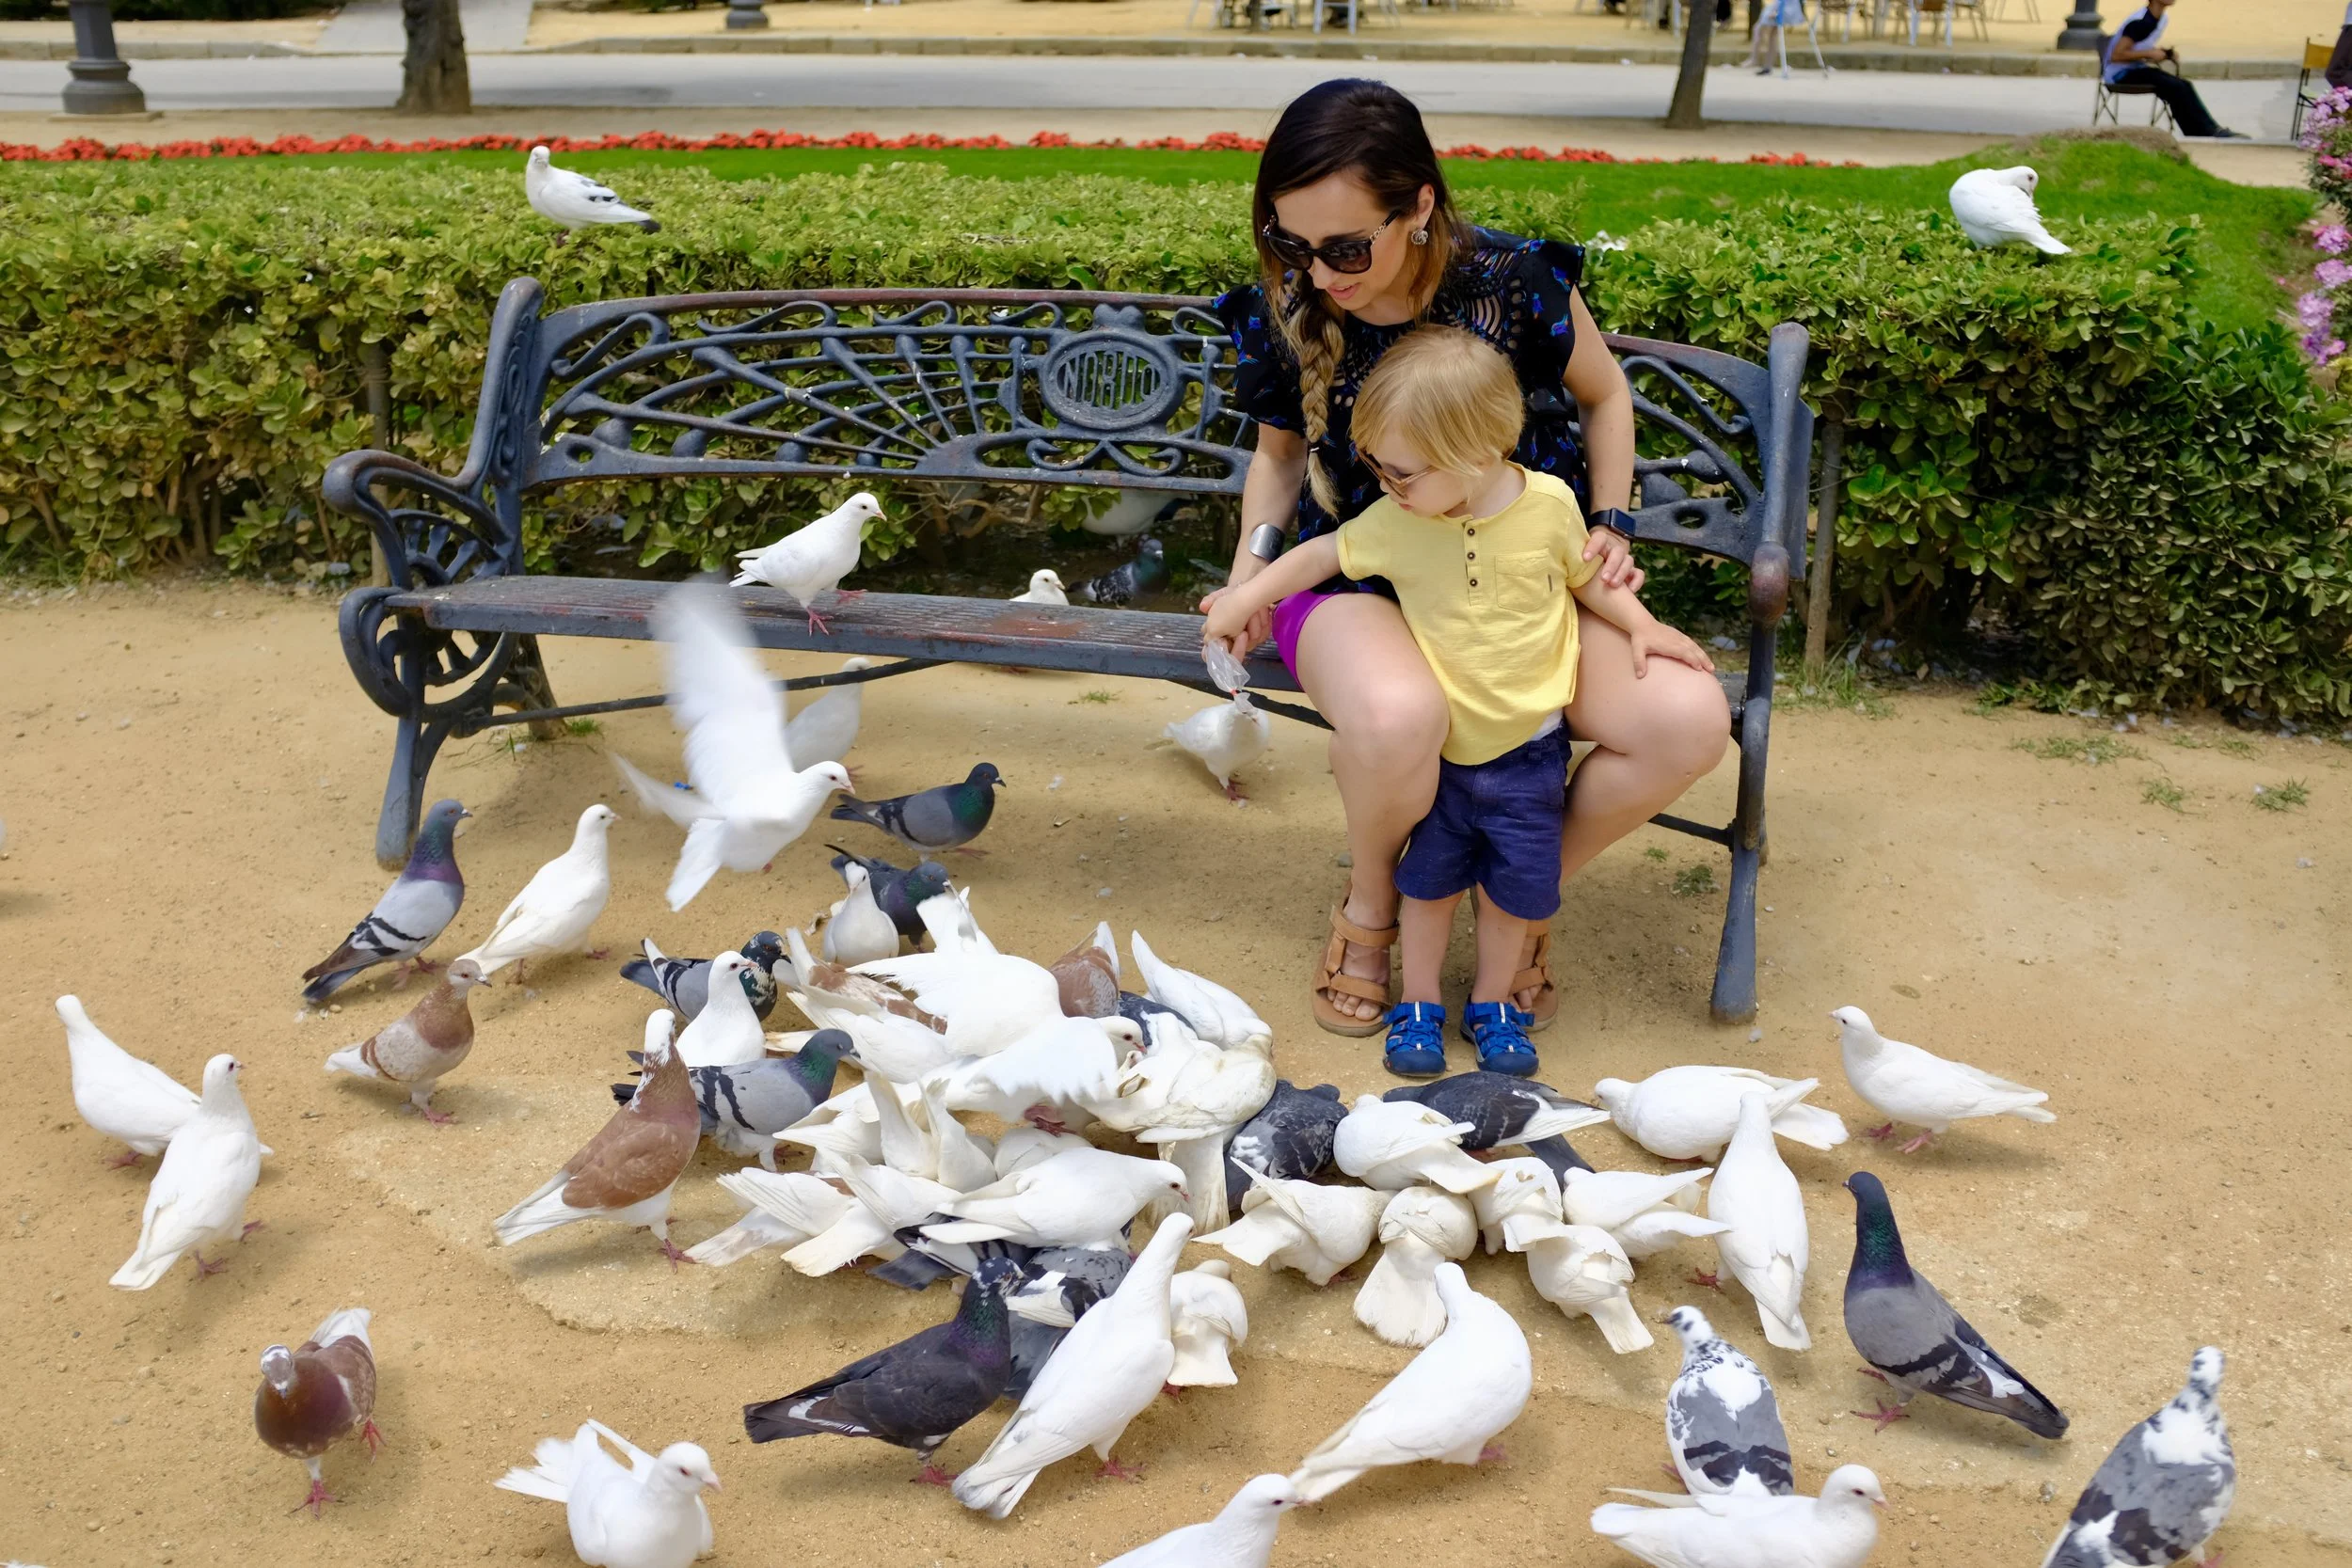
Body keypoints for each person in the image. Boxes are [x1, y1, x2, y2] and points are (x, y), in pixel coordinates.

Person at [1203, 78, 1731, 1041]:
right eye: (1290, 243)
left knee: (1685, 719)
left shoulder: (1511, 281)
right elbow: (1278, 461)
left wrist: (1610, 521)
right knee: (1403, 712)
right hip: (1354, 576)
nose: (1318, 274)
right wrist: (1250, 575)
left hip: (1515, 576)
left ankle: (1513, 901)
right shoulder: (1294, 306)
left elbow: (1607, 398)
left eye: (1345, 247)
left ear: (1418, 207)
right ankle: (1371, 911)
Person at [1203, 328, 1716, 1078]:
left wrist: (1643, 625)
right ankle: (1417, 1002)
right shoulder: (1398, 519)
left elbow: (1587, 576)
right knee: (1429, 882)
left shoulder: (1547, 506)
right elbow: (1321, 554)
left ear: (1479, 457)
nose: (1383, 484)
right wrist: (1245, 592)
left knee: (1518, 879)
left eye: (1401, 472)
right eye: (1375, 464)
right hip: (1449, 750)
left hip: (1532, 752)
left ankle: (1493, 1002)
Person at [2103, 0, 2246, 140]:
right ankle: (2203, 132)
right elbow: (2117, 55)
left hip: (2135, 68)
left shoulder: (2161, 19)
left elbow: (2139, 47)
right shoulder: (2140, 22)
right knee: (2176, 87)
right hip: (2120, 74)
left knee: (2183, 85)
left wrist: (2164, 53)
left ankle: (2209, 130)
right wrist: (2149, 54)